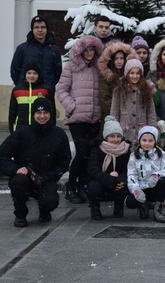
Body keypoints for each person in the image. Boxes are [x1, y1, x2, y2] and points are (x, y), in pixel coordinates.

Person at [0, 98, 71, 227]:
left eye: (45, 113)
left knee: (50, 201)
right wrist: (15, 169)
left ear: (51, 114)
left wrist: (51, 176)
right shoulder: (22, 133)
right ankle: (20, 213)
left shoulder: (59, 134)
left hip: (46, 178)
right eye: (38, 113)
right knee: (18, 182)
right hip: (25, 177)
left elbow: (64, 160)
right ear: (33, 115)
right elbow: (0, 156)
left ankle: (44, 210)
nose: (42, 116)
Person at [56, 35, 104, 204]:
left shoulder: (99, 67)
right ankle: (71, 185)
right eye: (86, 50)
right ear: (80, 51)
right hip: (77, 118)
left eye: (92, 50)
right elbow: (61, 89)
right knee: (82, 151)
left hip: (94, 117)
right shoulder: (71, 66)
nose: (89, 53)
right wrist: (72, 106)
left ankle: (83, 185)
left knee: (90, 153)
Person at [126, 126, 165, 222]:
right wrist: (135, 189)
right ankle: (143, 206)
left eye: (150, 141)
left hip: (155, 186)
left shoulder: (161, 154)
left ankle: (158, 210)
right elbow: (131, 175)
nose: (147, 143)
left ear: (155, 141)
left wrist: (156, 175)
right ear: (139, 141)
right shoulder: (133, 156)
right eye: (144, 140)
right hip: (142, 188)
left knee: (164, 181)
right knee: (130, 201)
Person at [86, 116, 131, 220]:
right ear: (106, 137)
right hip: (102, 181)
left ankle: (118, 206)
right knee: (93, 187)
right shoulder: (97, 149)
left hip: (118, 181)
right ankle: (95, 207)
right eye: (112, 136)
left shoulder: (125, 150)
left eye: (118, 136)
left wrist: (121, 180)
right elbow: (93, 170)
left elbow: (127, 169)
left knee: (124, 186)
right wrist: (110, 180)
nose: (115, 139)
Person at [10, 15, 62, 93]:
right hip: (25, 93)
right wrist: (21, 86)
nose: (40, 30)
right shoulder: (22, 49)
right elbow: (15, 70)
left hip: (47, 93)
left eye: (43, 27)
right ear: (32, 29)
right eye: (36, 27)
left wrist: (49, 86)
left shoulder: (54, 50)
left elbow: (57, 72)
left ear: (47, 29)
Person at [110, 59, 157, 143]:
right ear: (127, 74)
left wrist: (152, 130)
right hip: (124, 131)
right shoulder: (119, 90)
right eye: (132, 73)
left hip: (142, 132)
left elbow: (151, 113)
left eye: (137, 73)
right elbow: (114, 112)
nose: (135, 76)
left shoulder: (146, 90)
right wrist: (113, 130)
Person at [8, 62, 55, 133]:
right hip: (21, 127)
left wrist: (52, 126)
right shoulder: (17, 90)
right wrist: (12, 129)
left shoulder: (45, 90)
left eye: (35, 73)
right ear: (25, 74)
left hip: (40, 127)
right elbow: (12, 112)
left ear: (39, 75)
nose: (32, 76)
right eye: (29, 73)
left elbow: (52, 110)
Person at [97, 40, 133, 123]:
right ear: (112, 60)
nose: (119, 61)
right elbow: (105, 100)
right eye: (116, 58)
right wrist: (118, 113)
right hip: (111, 118)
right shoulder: (106, 77)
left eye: (121, 58)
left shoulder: (130, 75)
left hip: (129, 119)